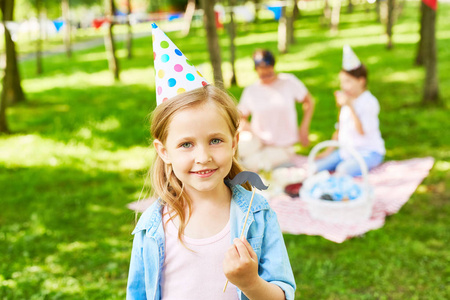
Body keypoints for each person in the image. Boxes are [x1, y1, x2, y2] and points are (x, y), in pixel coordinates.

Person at [126, 23, 295, 300]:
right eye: (186, 144)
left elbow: (283, 295)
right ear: (164, 151)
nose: (203, 157)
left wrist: (251, 283)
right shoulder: (152, 226)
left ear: (234, 143)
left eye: (215, 140)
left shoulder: (258, 214)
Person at [237, 49, 315, 171]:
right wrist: (247, 128)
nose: (266, 77)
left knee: (250, 164)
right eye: (262, 75)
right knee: (233, 151)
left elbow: (309, 101)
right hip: (257, 138)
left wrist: (304, 127)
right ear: (256, 70)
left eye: (268, 73)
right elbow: (240, 117)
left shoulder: (288, 82)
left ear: (273, 66)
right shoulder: (251, 90)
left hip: (282, 145)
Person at [314, 45, 385, 176]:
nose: (343, 86)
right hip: (346, 151)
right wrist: (328, 151)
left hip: (368, 152)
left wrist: (350, 107)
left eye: (348, 81)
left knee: (343, 170)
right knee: (315, 167)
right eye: (342, 82)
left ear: (361, 81)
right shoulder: (347, 99)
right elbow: (340, 128)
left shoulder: (369, 102)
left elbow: (362, 131)